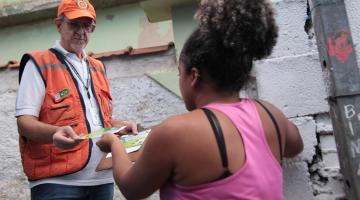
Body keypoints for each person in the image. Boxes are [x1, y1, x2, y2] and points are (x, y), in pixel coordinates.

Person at [76, 0, 302, 199]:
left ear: (193, 76)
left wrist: (114, 143)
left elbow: (132, 189)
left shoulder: (175, 131)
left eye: (179, 73)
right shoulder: (271, 115)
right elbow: (295, 146)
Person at [15, 0, 137, 199]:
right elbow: (24, 123)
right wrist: (55, 134)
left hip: (102, 179)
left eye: (87, 26)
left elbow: (96, 121)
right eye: (74, 24)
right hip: (57, 182)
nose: (81, 32)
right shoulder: (39, 63)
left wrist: (120, 126)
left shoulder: (98, 67)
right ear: (58, 25)